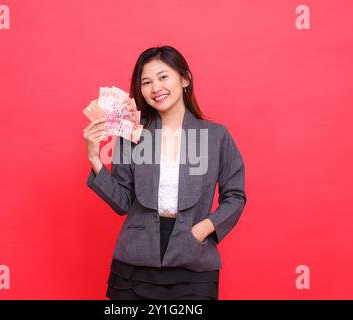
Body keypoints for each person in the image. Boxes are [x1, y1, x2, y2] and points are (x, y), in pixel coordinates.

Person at [83, 45, 247, 300]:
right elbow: (122, 202)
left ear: (184, 79)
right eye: (146, 82)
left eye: (163, 77)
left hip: (194, 261)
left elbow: (235, 196)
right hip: (134, 264)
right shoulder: (132, 136)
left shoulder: (216, 136)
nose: (155, 88)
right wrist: (94, 158)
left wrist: (205, 228)